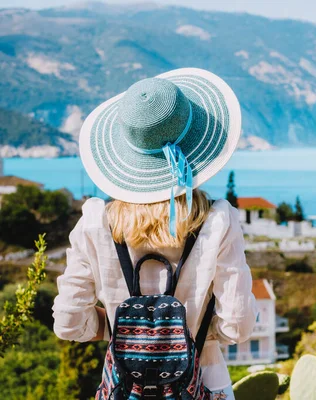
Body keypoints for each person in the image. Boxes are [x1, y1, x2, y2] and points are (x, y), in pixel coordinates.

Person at [52, 68, 256, 399]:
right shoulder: (219, 222)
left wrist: (125, 332)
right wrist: (192, 334)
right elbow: (238, 324)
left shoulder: (94, 223)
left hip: (123, 388)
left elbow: (69, 323)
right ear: (196, 145)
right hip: (204, 383)